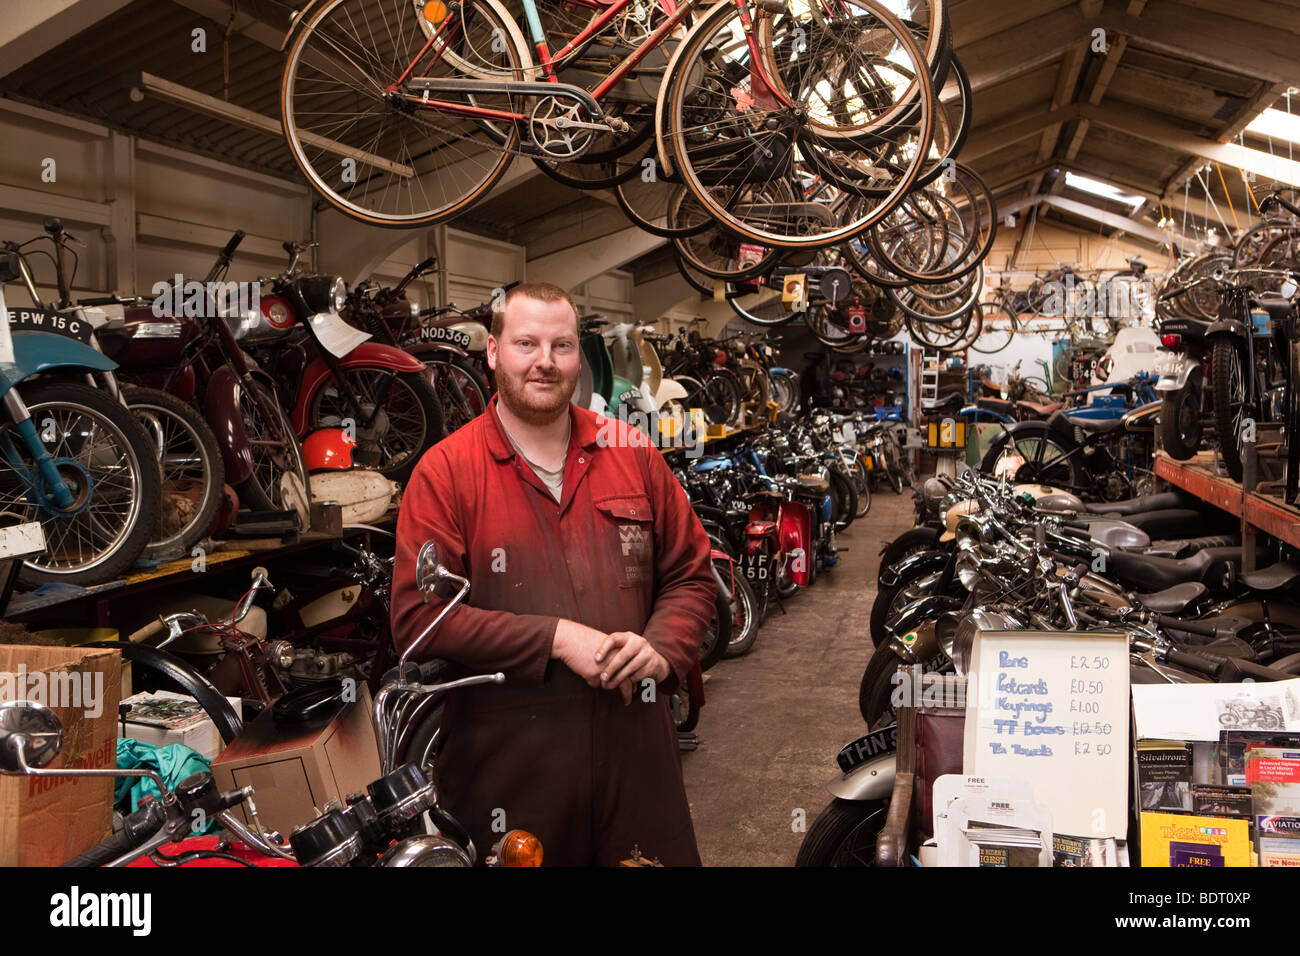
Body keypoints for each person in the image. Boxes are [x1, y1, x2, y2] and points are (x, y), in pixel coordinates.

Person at [390, 282, 716, 866]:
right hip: (511, 772)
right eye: (526, 343)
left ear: (577, 355)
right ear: (492, 352)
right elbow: (418, 621)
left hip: (635, 756)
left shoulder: (631, 450)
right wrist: (557, 638)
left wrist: (663, 649)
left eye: (562, 345)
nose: (545, 361)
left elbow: (691, 574)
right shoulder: (447, 472)